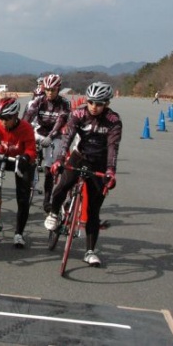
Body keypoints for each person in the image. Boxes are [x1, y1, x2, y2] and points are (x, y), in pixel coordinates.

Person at [45, 82, 122, 267]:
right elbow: (67, 139)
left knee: (93, 211)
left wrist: (110, 171)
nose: (94, 107)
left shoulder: (113, 120)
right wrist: (60, 159)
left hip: (101, 162)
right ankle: (55, 213)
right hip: (80, 156)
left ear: (107, 103)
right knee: (62, 186)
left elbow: (113, 148)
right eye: (91, 102)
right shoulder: (78, 113)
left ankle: (89, 251)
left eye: (100, 103)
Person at [0, 97, 36, 248]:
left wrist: (26, 157)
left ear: (15, 116)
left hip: (21, 161)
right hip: (3, 157)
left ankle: (18, 234)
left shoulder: (26, 128)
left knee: (23, 199)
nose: (2, 121)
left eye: (6, 118)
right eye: (0, 117)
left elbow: (32, 150)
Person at [21, 74, 71, 212]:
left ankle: (47, 200)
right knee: (25, 154)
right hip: (40, 131)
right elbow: (28, 117)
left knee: (49, 169)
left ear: (58, 89)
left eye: (52, 90)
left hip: (55, 135)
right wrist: (22, 131)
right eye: (47, 89)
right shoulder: (39, 100)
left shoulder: (64, 103)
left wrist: (50, 137)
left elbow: (61, 121)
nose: (49, 93)